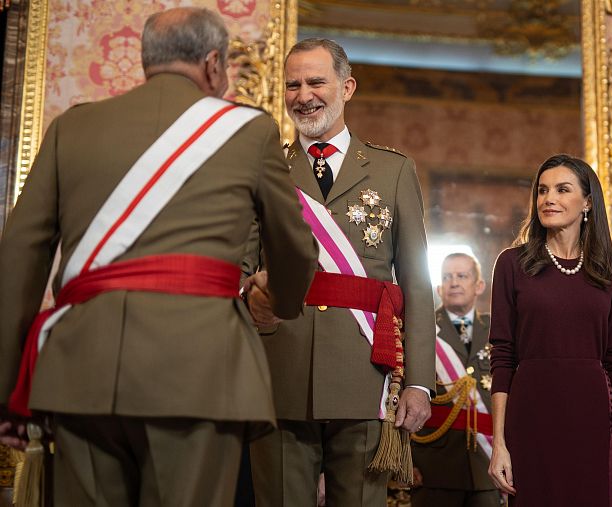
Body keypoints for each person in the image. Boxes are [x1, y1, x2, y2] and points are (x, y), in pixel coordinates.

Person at [0, 7, 318, 505]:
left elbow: (17, 258)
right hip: (199, 371)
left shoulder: (73, 127)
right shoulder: (248, 131)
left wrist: (6, 390)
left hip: (82, 369)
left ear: (148, 60)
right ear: (214, 65)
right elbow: (295, 250)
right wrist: (281, 298)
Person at [243, 38, 435, 506]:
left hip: (364, 372)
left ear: (346, 87)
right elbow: (242, 267)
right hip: (278, 368)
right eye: (292, 84)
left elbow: (415, 282)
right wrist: (249, 296)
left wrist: (418, 382)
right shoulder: (262, 170)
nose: (303, 94)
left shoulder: (393, 170)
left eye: (316, 81)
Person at [487, 154, 612, 505]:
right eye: (542, 190)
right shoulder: (512, 264)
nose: (548, 198)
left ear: (587, 202)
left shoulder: (610, 268)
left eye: (561, 189)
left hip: (593, 422)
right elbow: (502, 357)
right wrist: (499, 444)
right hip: (530, 419)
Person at [411, 252, 500, 507]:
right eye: (447, 277)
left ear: (479, 285)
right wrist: (407, 459)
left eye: (462, 276)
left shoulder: (498, 329)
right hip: (433, 466)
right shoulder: (422, 329)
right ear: (439, 287)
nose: (454, 282)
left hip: (486, 465)